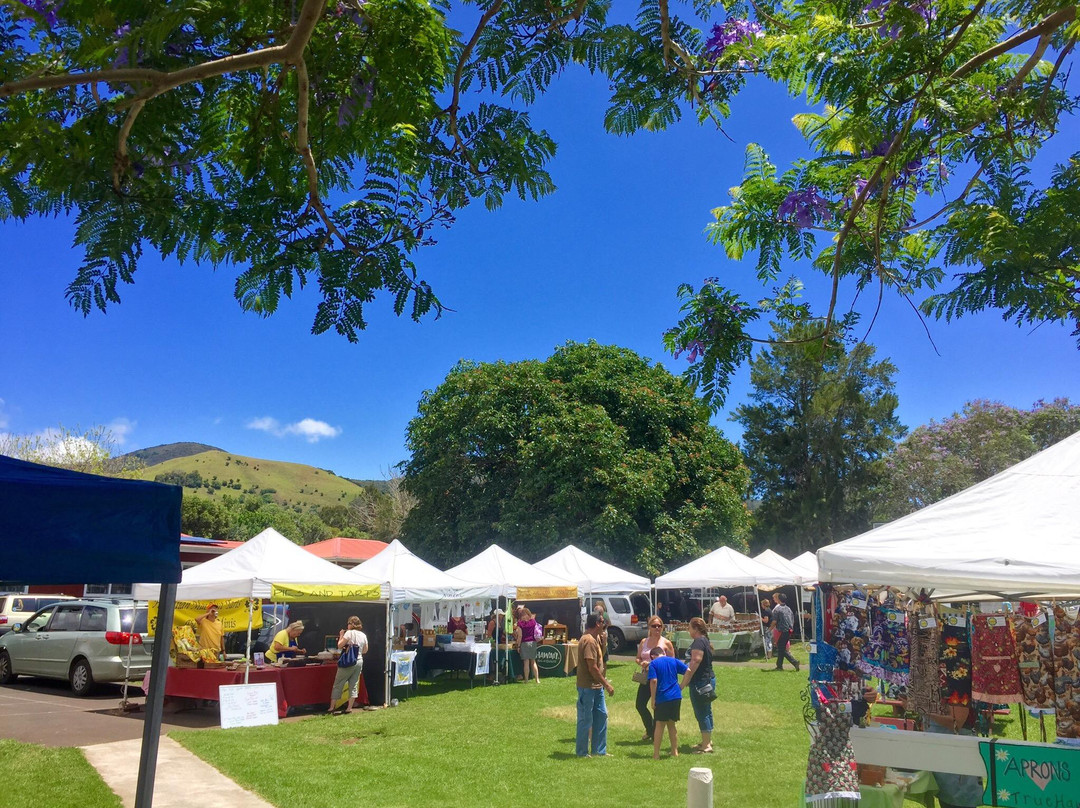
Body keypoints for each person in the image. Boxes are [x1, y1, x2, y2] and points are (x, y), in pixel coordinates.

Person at [576, 612, 614, 757]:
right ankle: (582, 752)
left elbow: (600, 657)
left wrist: (604, 642)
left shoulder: (595, 638)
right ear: (597, 624)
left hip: (596, 687)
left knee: (601, 716)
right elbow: (592, 667)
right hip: (587, 687)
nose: (605, 624)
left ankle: (599, 751)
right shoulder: (588, 640)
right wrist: (607, 684)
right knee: (586, 720)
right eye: (603, 622)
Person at [635, 615, 675, 741]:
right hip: (646, 677)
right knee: (640, 705)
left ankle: (656, 734)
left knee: (657, 705)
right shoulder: (644, 642)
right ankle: (650, 729)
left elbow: (672, 662)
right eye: (654, 626)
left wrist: (654, 664)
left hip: (660, 678)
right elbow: (638, 658)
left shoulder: (666, 643)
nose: (657, 628)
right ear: (649, 628)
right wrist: (641, 663)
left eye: (659, 626)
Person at [680, 617, 716, 753]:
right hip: (708, 679)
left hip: (701, 681)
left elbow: (695, 661)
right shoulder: (704, 640)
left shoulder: (699, 642)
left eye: (689, 627)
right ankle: (707, 740)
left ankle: (706, 745)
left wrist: (684, 681)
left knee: (702, 712)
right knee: (706, 710)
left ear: (695, 629)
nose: (688, 630)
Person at [648, 645, 688, 759]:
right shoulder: (673, 660)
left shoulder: (653, 664)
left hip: (663, 697)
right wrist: (681, 686)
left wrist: (653, 699)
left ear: (653, 656)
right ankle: (674, 751)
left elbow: (654, 681)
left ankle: (656, 754)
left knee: (659, 725)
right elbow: (688, 671)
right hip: (676, 696)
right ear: (663, 653)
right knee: (671, 724)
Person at [328, 616, 368, 714]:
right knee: (354, 684)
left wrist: (341, 635)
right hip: (359, 661)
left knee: (338, 683)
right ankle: (349, 708)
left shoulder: (349, 633)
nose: (347, 625)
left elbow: (339, 645)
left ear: (351, 624)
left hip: (348, 661)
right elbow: (365, 650)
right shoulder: (363, 635)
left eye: (348, 623)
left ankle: (332, 707)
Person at [770, 593, 800, 672]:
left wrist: (770, 629)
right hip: (788, 630)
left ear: (779, 599)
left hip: (781, 631)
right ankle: (779, 666)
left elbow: (774, 621)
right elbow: (792, 619)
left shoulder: (777, 609)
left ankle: (794, 662)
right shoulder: (788, 609)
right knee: (781, 648)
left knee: (781, 649)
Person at [515, 607, 541, 684]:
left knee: (526, 662)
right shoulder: (533, 622)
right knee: (533, 662)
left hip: (524, 643)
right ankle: (537, 679)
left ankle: (526, 680)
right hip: (533, 642)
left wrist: (518, 646)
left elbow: (520, 636)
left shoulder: (520, 624)